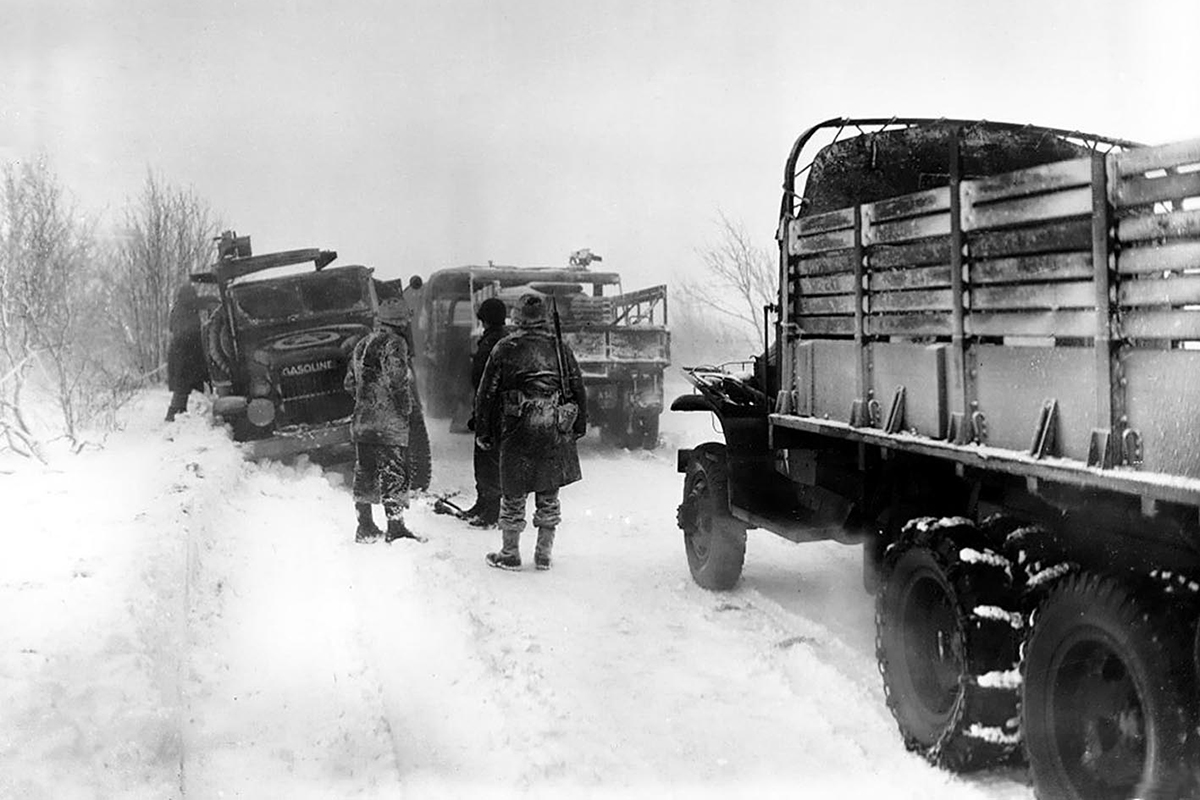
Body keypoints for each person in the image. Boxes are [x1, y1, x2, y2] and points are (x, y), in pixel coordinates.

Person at [474, 293, 587, 571]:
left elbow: (486, 394)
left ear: (517, 317)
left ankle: (510, 553)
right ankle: (544, 554)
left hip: (517, 425)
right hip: (554, 426)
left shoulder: (504, 347)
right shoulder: (559, 347)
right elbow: (577, 387)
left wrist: (483, 431)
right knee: (548, 493)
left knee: (513, 491)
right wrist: (578, 425)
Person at [343, 291, 425, 544]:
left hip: (362, 420)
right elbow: (398, 381)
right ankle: (396, 527)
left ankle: (365, 526)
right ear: (401, 321)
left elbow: (349, 383)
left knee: (365, 471)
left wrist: (365, 399)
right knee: (393, 471)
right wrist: (405, 409)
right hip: (388, 423)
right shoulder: (395, 344)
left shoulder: (361, 343)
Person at [462, 297, 509, 527]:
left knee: (489, 457)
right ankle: (483, 503)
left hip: (492, 408)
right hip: (487, 406)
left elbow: (486, 379)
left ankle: (491, 510)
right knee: (482, 456)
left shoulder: (495, 342)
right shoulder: (497, 339)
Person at [165, 282, 209, 422]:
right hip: (184, 356)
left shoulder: (181, 309)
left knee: (185, 389)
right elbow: (183, 333)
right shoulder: (182, 311)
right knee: (183, 389)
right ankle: (174, 418)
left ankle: (181, 417)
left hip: (186, 355)